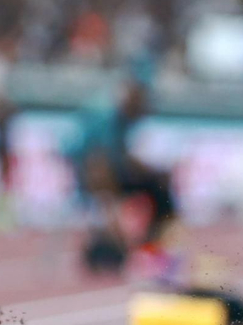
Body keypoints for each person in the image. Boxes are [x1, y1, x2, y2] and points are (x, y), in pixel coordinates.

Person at [68, 68, 177, 274]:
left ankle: (152, 245)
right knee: (157, 189)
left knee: (160, 186)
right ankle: (143, 247)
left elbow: (122, 157)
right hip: (91, 177)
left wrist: (151, 171)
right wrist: (110, 202)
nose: (144, 111)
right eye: (142, 105)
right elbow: (96, 164)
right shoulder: (105, 117)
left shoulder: (121, 116)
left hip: (108, 173)